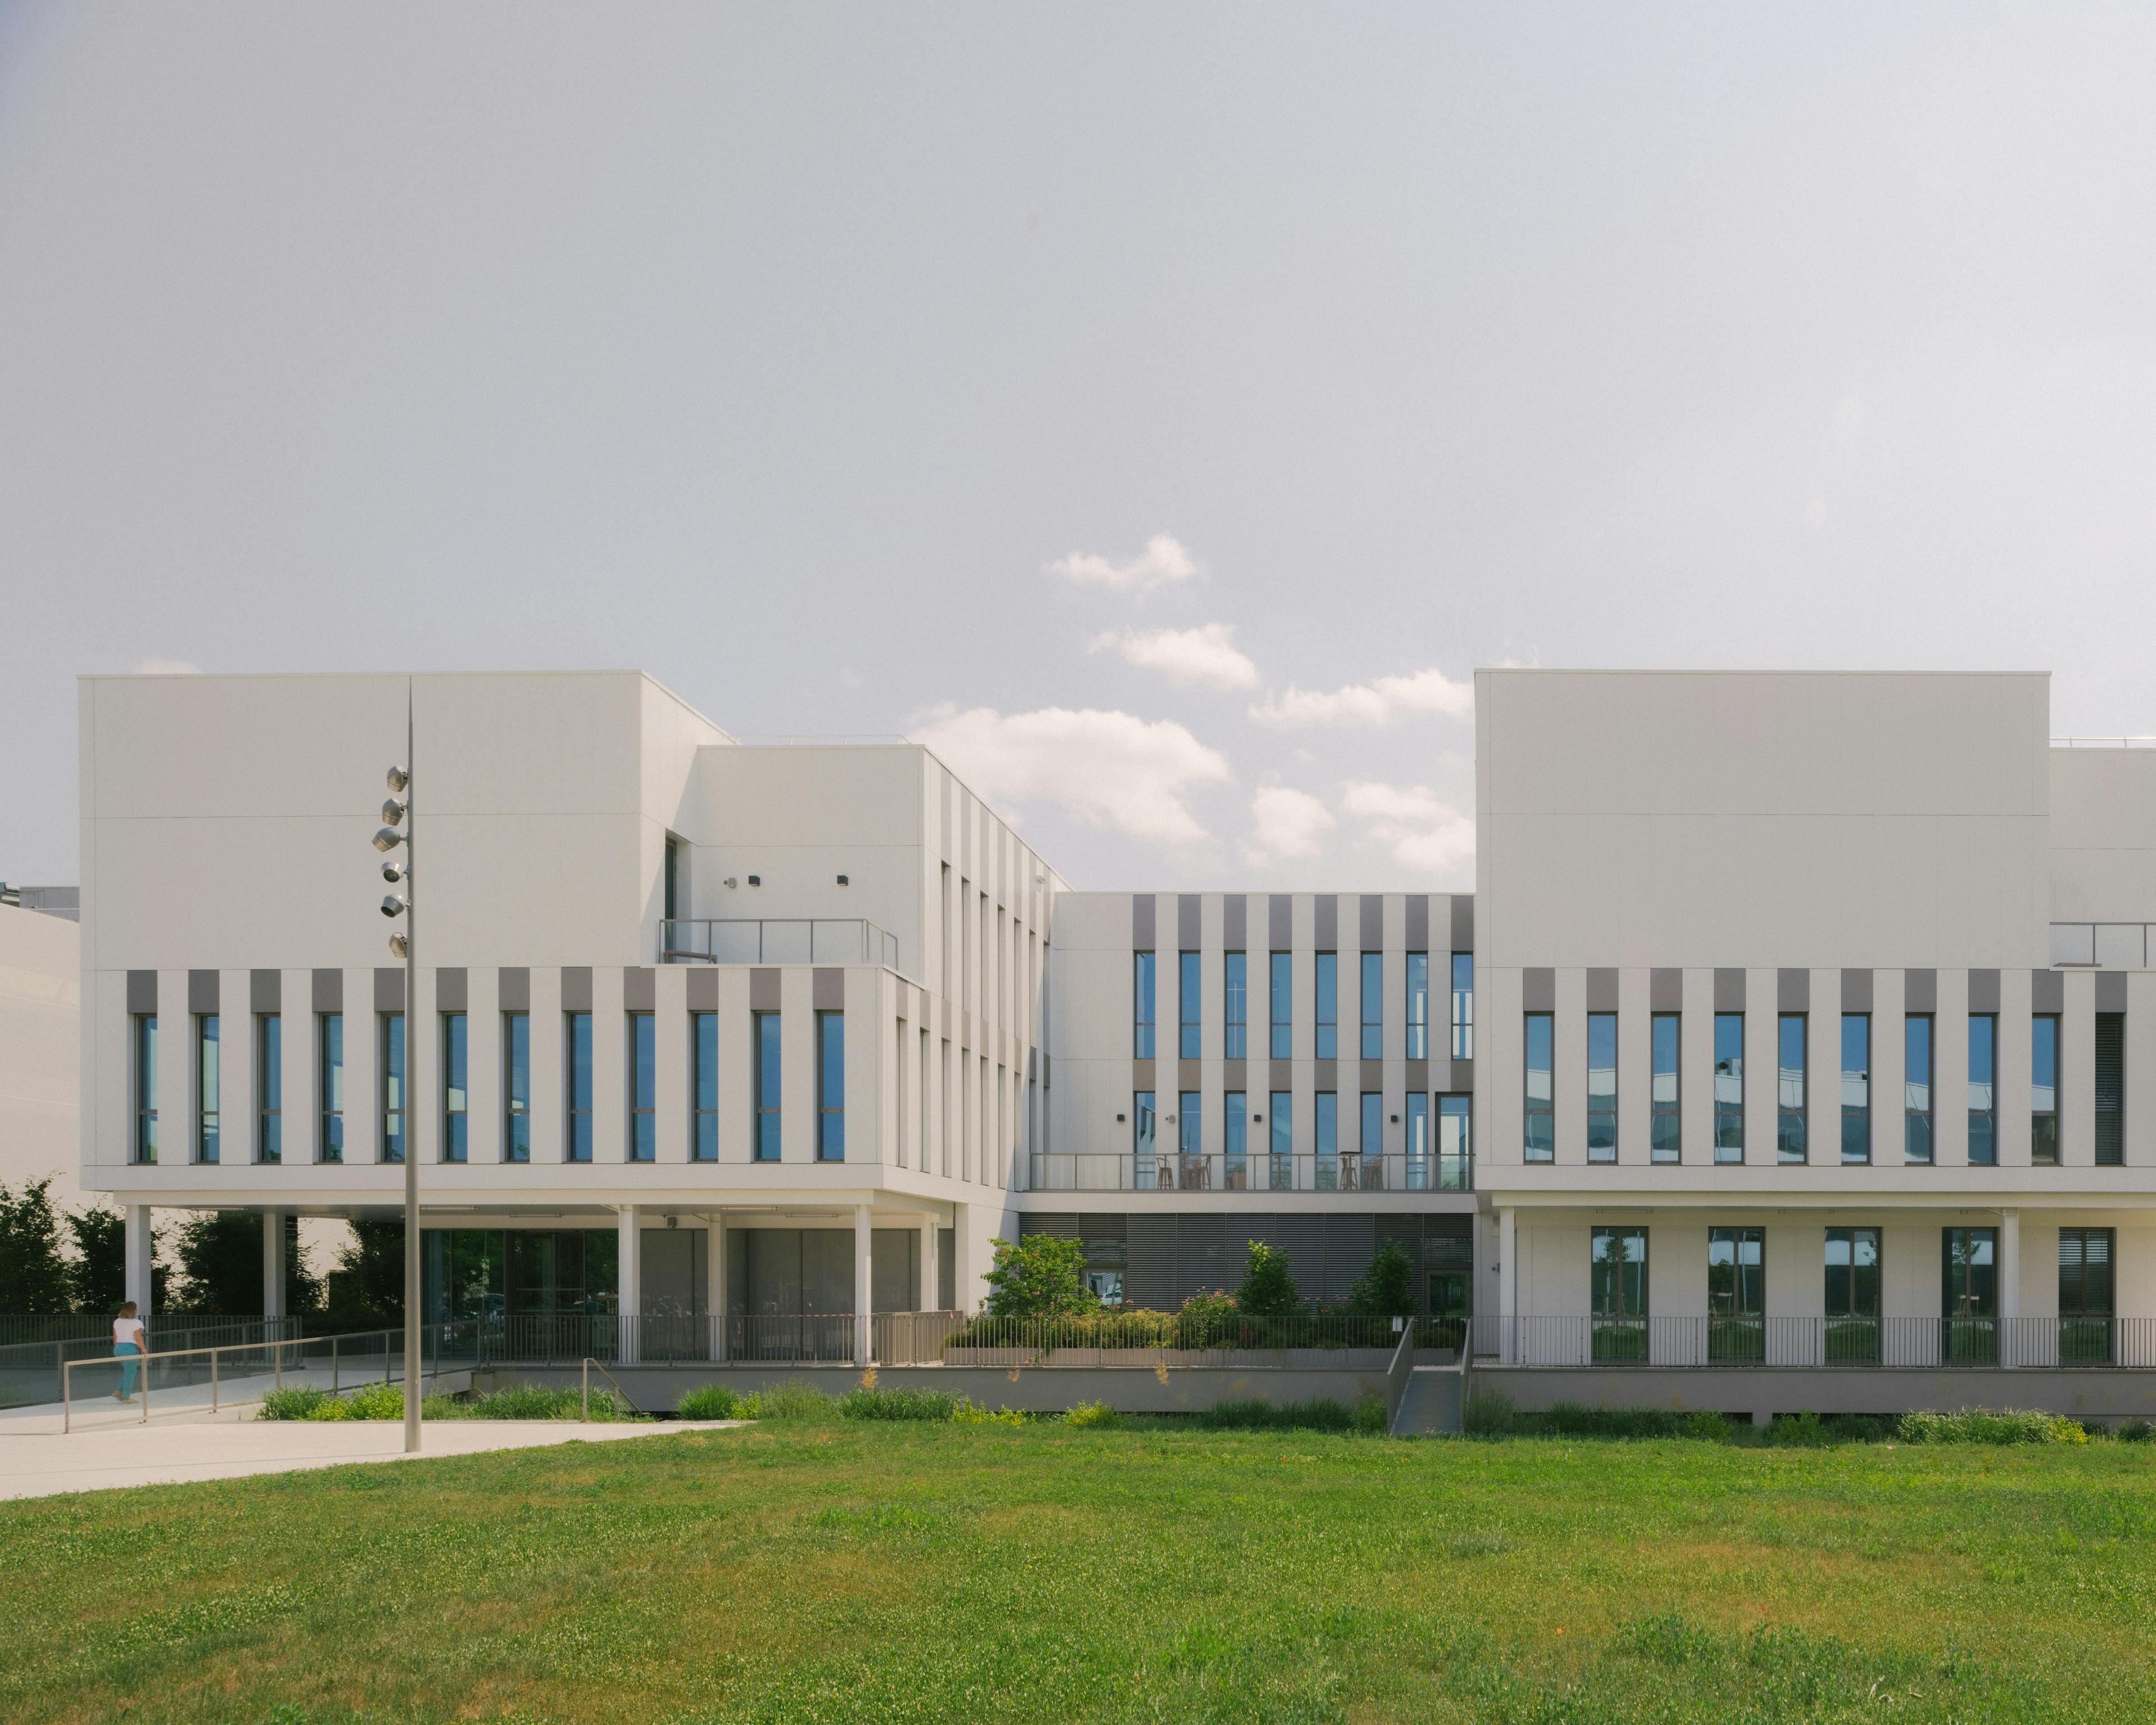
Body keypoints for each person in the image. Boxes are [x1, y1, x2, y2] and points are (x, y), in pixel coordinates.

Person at [112, 1302, 145, 1402]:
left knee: (128, 1372)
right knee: (130, 1373)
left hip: (118, 1348)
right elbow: (138, 1338)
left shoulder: (117, 1321)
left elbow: (115, 1337)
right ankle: (125, 1397)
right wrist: (144, 1351)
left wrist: (118, 1347)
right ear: (134, 1310)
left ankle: (119, 1391)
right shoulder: (136, 1323)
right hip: (130, 1348)